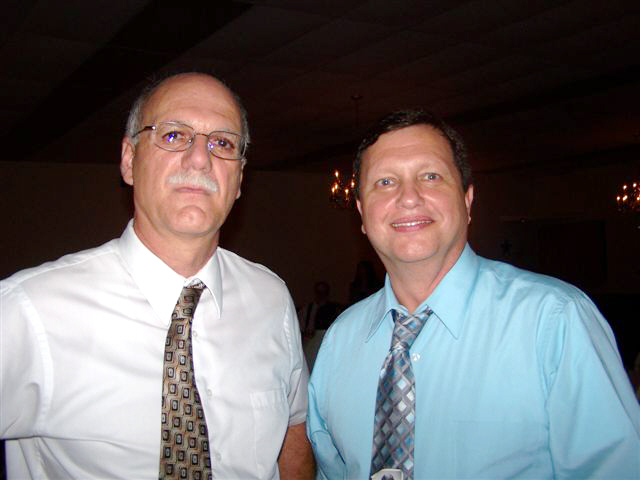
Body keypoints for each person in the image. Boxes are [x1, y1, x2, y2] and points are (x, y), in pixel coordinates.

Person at [1, 72, 314, 479]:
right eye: (173, 135)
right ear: (129, 160)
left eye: (222, 143)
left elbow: (292, 433)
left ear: (239, 178)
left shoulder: (270, 298)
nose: (200, 159)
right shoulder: (30, 311)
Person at [307, 110, 640, 479]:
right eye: (385, 182)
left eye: (430, 176)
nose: (409, 197)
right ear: (361, 213)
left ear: (467, 200)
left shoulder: (555, 321)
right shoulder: (340, 340)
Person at [298, 281, 342, 370]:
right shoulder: (308, 308)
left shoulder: (333, 309)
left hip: (325, 340)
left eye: (323, 292)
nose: (321, 295)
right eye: (318, 292)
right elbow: (302, 326)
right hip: (310, 341)